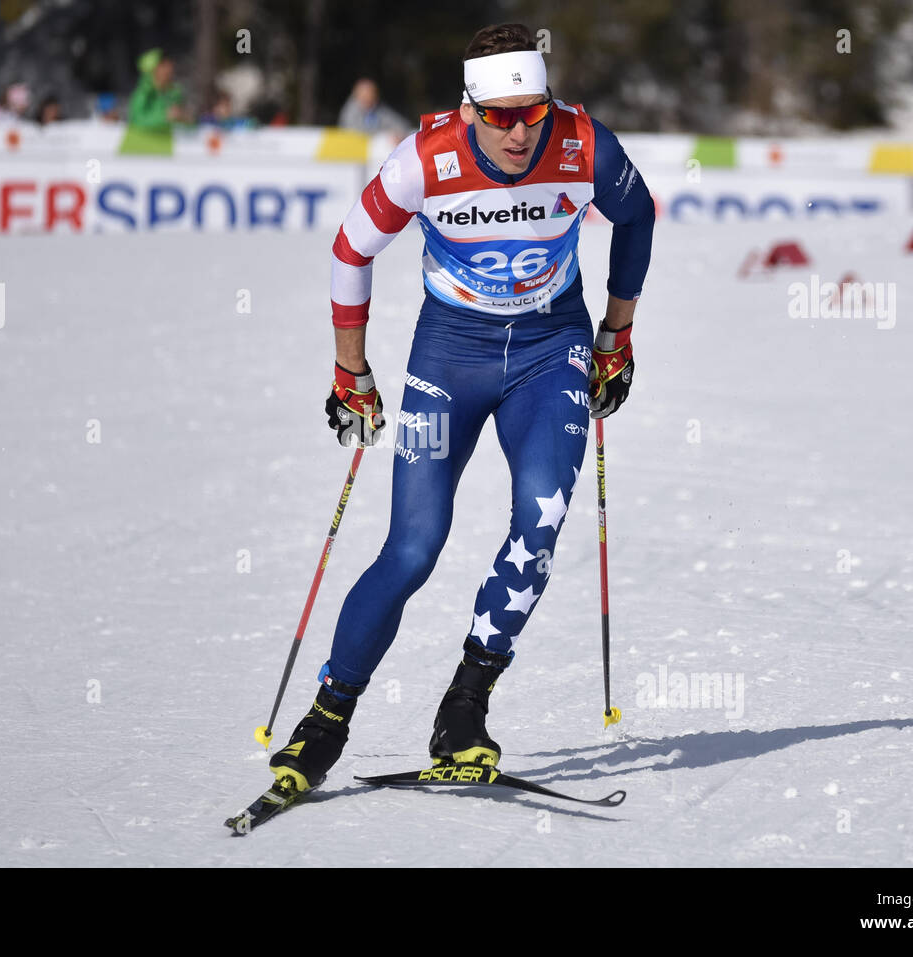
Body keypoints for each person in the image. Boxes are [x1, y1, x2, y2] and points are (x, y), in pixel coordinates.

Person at [267, 23, 654, 793]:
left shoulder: (586, 144)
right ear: (470, 107)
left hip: (551, 353)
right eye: (499, 115)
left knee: (539, 521)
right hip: (449, 357)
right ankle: (327, 716)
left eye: (532, 113)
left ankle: (464, 708)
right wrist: (353, 373)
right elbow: (351, 249)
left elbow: (639, 216)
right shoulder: (424, 161)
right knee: (413, 547)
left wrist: (618, 331)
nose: (518, 132)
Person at [121, 49, 186, 154]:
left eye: (169, 65)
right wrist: (165, 117)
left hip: (164, 151)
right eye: (163, 65)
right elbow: (137, 120)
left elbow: (183, 124)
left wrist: (184, 118)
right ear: (153, 69)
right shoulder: (143, 93)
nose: (169, 69)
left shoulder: (174, 93)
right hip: (136, 151)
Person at [338, 77, 410, 137]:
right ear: (357, 95)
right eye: (364, 95)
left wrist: (396, 133)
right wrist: (384, 134)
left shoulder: (379, 108)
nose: (368, 97)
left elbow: (401, 125)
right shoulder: (350, 111)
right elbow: (353, 132)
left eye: (371, 93)